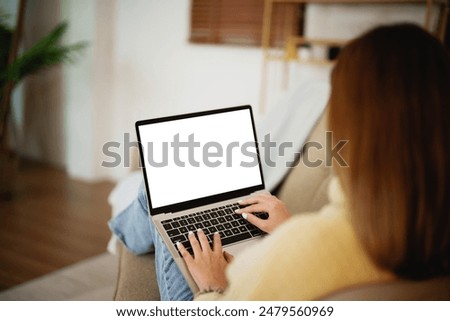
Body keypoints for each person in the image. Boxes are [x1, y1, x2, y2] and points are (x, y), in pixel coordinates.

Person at [109, 23, 450, 300]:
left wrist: (212, 285)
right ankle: (124, 231)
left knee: (155, 198)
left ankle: (120, 233)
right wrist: (288, 229)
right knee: (160, 199)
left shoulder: (296, 251)